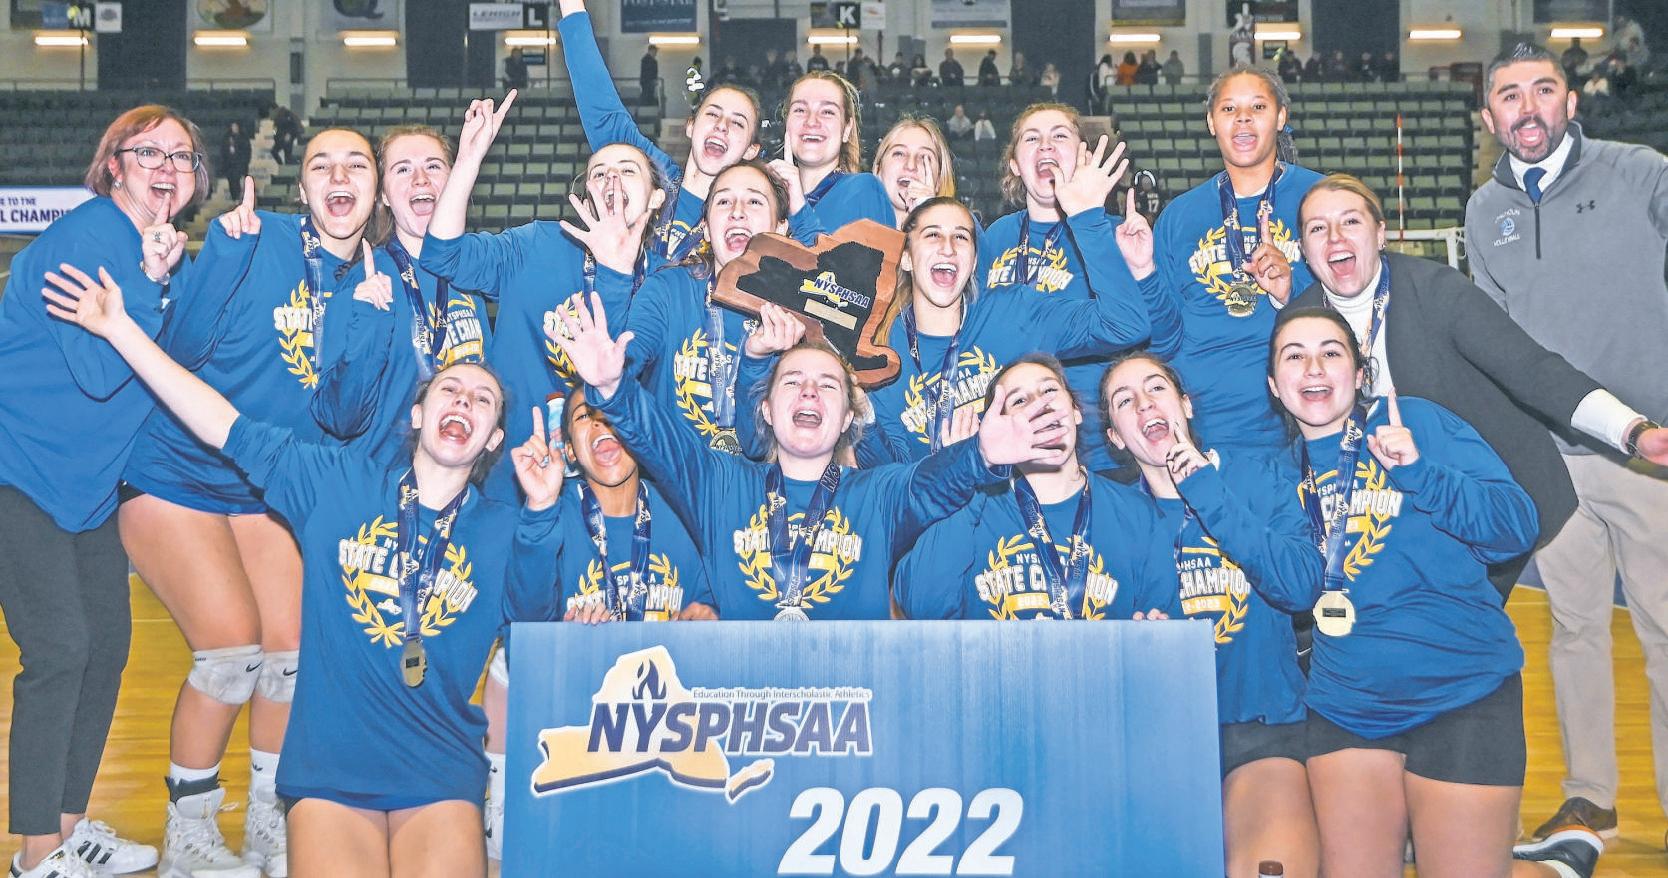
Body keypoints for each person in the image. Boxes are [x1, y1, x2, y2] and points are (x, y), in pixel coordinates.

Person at [44, 267, 567, 878]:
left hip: (439, 770)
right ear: (417, 414)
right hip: (329, 771)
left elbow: (533, 624)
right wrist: (122, 330)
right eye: (449, 389)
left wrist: (541, 512)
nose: (463, 402)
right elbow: (223, 424)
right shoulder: (337, 485)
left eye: (482, 400)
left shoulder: (506, 528)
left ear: (493, 439)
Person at [117, 126, 383, 878]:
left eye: (355, 164)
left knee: (291, 655)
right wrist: (223, 261)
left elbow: (347, 416)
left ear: (375, 190)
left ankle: (270, 819)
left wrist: (371, 320)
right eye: (321, 164)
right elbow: (180, 350)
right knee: (232, 650)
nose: (338, 175)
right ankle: (190, 830)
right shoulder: (254, 238)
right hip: (177, 469)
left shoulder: (379, 278)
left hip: (262, 484)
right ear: (301, 189)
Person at [1266, 306, 1606, 878]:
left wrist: (1420, 472)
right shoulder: (1278, 477)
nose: (1314, 367)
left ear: (1360, 373)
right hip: (1349, 708)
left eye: (1331, 352)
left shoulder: (1417, 423)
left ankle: (1551, 871)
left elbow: (1515, 528)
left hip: (1462, 694)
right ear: (1276, 386)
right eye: (1293, 356)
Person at [551, 290, 1071, 621]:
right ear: (766, 410)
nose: (808, 392)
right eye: (792, 381)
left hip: (853, 722)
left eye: (827, 386)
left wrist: (980, 454)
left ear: (846, 418)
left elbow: (933, 483)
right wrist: (613, 389)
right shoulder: (720, 484)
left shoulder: (880, 493)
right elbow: (662, 441)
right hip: (740, 718)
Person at [1466, 42, 1668, 846]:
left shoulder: (1640, 173)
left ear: (1570, 102)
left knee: (1665, 635)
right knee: (1575, 631)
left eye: (1543, 90)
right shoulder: (1484, 210)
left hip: (1647, 453)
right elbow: (1492, 340)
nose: (1527, 107)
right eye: (1509, 95)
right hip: (1551, 461)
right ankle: (1591, 798)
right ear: (1489, 117)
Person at [1291, 173, 1667, 600]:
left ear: (1379, 234)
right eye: (1318, 228)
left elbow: (1533, 369)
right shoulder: (1297, 321)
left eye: (1350, 221)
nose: (1335, 237)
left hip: (1482, 502)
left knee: (1460, 627)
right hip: (1382, 515)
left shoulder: (1437, 292)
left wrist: (1632, 431)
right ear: (1303, 248)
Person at [0, 104, 207, 878]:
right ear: (113, 166)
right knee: (60, 651)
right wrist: (150, 284)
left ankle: (68, 826)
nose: (166, 166)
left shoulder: (156, 253)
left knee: (107, 648)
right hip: (18, 471)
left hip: (85, 489)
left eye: (181, 156)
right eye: (148, 152)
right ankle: (35, 856)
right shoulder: (88, 239)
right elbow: (97, 370)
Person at [1101, 351, 1322, 878]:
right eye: (1124, 401)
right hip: (1155, 741)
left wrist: (1204, 489)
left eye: (1156, 388)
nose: (1144, 403)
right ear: (1115, 438)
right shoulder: (1110, 514)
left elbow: (1300, 586)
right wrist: (1129, 642)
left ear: (1186, 405)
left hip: (1260, 728)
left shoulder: (1257, 478)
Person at [477, 385, 717, 856]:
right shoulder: (549, 511)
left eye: (612, 414)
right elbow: (523, 625)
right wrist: (562, 639)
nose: (602, 423)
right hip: (564, 729)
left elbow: (713, 601)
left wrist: (707, 616)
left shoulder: (684, 512)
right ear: (569, 451)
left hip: (664, 742)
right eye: (585, 417)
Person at [421, 93, 673, 499]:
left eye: (628, 170)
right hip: (515, 478)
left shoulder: (667, 280)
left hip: (618, 484)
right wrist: (468, 160)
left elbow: (621, 369)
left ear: (656, 198)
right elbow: (443, 255)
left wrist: (615, 272)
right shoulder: (535, 244)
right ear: (585, 197)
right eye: (599, 173)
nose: (611, 179)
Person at [867, 192, 1150, 465]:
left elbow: (1124, 325)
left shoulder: (1014, 312)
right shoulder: (880, 349)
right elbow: (891, 469)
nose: (948, 247)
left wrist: (1087, 219)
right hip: (937, 498)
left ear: (974, 262)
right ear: (906, 257)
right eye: (932, 235)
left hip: (1023, 496)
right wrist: (863, 417)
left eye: (961, 237)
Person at [895, 355, 1175, 621]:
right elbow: (923, 608)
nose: (1039, 405)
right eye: (1019, 401)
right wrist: (963, 479)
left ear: (1076, 411)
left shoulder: (1138, 513)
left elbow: (1160, 624)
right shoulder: (971, 510)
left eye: (1049, 390)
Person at [1140, 65, 1320, 453]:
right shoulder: (1178, 216)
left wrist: (1291, 291)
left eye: (1258, 107)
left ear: (1281, 117)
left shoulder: (1320, 198)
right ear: (1211, 122)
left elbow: (1357, 302)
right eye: (1228, 109)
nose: (1243, 118)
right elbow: (1162, 332)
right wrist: (1141, 272)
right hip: (1202, 419)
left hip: (1298, 414)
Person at [311, 125, 495, 466]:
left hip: (446, 483)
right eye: (403, 169)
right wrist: (369, 323)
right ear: (383, 194)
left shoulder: (469, 280)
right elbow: (339, 418)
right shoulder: (364, 281)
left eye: (433, 166)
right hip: (375, 486)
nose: (420, 180)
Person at [982, 103, 1150, 473]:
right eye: (1032, 138)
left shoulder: (1115, 233)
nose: (1046, 145)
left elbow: (1150, 333)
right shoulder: (996, 237)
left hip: (1098, 449)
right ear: (1015, 164)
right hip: (1010, 441)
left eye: (1059, 136)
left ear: (1083, 155)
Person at [615, 160, 821, 454]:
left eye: (754, 201)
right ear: (707, 230)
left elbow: (758, 448)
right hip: (671, 475)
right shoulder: (669, 290)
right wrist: (614, 277)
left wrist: (756, 361)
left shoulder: (799, 317)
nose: (737, 211)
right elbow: (620, 367)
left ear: (781, 227)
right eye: (723, 201)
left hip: (752, 481)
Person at [558, 0, 765, 263]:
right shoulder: (652, 174)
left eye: (737, 123)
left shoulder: (749, 218)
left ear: (751, 150)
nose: (721, 125)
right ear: (691, 126)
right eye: (712, 114)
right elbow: (599, 105)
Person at [779, 71, 895, 230]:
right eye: (800, 110)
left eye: (827, 112)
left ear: (847, 129)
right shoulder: (765, 198)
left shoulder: (863, 190)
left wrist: (799, 212)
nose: (811, 121)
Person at [871, 116, 962, 227]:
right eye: (899, 153)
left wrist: (928, 213)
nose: (911, 165)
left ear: (939, 181)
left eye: (924, 157)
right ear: (878, 170)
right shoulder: (853, 226)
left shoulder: (966, 231)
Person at [219, 119, 250, 201]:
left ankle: (239, 198)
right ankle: (234, 198)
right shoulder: (226, 137)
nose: (234, 128)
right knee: (231, 181)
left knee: (237, 181)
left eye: (236, 126)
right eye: (233, 126)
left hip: (239, 164)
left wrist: (244, 163)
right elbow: (223, 151)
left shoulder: (243, 137)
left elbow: (247, 151)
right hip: (229, 165)